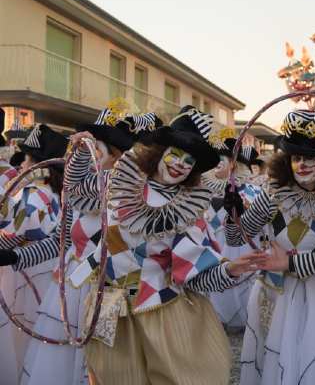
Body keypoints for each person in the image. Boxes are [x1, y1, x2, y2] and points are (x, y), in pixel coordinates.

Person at [69, 105, 255, 384]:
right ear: (160, 152)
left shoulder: (188, 211)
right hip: (109, 305)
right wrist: (83, 151)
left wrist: (230, 271)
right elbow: (74, 191)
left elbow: (196, 276)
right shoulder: (119, 180)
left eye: (189, 161)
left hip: (158, 311)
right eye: (175, 154)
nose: (180, 164)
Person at [0, 107, 159, 385]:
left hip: (115, 294)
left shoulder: (138, 197)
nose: (88, 154)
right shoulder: (76, 196)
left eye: (95, 148)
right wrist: (13, 256)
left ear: (119, 154)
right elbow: (58, 243)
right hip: (72, 289)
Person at [225, 108, 315, 385]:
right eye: (297, 158)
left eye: (311, 158)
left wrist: (290, 263)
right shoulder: (273, 194)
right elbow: (236, 238)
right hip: (277, 294)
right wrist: (233, 213)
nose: (302, 165)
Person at [0, 124, 67, 385]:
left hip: (26, 275)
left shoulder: (35, 193)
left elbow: (13, 224)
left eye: (26, 159)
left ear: (39, 166)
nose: (22, 165)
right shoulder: (55, 193)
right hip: (43, 272)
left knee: (20, 339)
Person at [203, 128, 262, 329]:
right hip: (214, 252)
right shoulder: (200, 192)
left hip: (242, 251)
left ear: (233, 163)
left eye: (219, 159)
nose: (214, 164)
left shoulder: (254, 192)